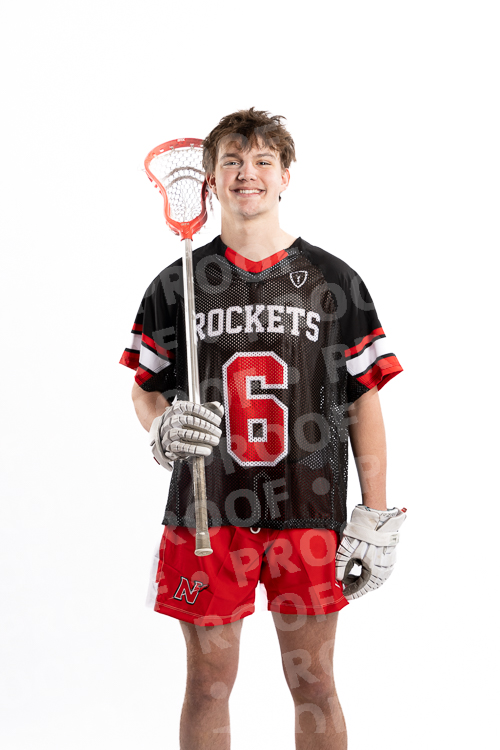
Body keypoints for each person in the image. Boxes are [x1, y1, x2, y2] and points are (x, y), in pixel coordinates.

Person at [120, 107, 405, 750]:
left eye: (262, 161)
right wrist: (162, 428)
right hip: (207, 510)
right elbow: (145, 387)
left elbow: (363, 402)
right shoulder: (177, 284)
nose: (246, 173)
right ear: (211, 179)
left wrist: (376, 512)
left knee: (314, 683)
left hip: (308, 506)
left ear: (285, 176)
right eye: (232, 161)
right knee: (207, 685)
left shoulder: (333, 280)